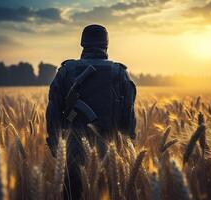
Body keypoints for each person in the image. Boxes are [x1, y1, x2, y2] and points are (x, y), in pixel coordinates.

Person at [46, 24, 136, 200]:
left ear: (82, 43)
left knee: (73, 194)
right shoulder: (119, 72)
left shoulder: (66, 70)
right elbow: (129, 117)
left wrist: (55, 145)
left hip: (72, 149)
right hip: (110, 152)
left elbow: (53, 112)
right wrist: (128, 149)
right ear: (106, 44)